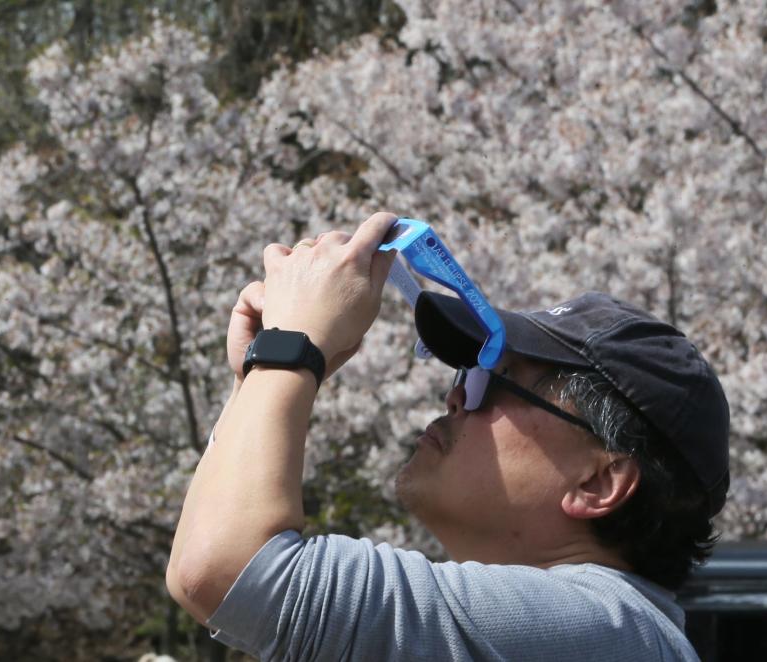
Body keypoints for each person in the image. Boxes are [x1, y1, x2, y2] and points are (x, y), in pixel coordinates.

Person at [166, 213, 729, 661]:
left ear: (599, 480)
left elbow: (225, 570)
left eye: (497, 380)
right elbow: (207, 564)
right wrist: (257, 382)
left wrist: (293, 348)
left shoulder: (608, 632)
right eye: (468, 372)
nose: (457, 396)